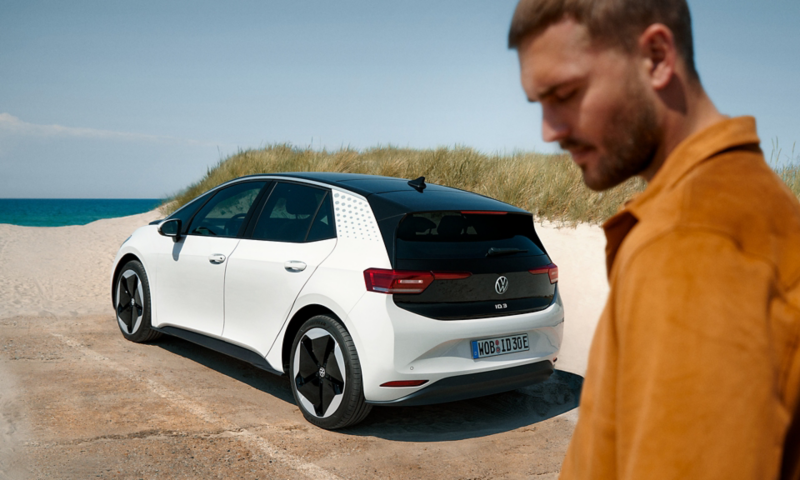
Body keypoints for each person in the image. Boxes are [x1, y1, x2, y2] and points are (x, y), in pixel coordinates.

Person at [508, 0, 800, 478]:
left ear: (657, 57)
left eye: (565, 93)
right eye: (539, 104)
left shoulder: (692, 238)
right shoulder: (749, 200)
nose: (549, 131)